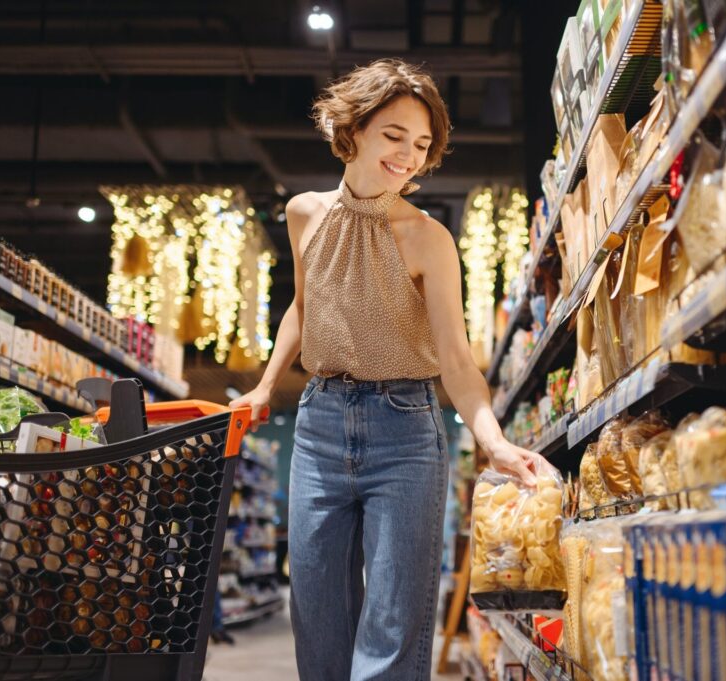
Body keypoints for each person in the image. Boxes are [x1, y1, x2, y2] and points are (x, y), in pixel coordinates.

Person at [229, 58, 548, 681]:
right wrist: (266, 386)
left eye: (421, 144)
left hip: (406, 431)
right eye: (393, 136)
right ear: (353, 131)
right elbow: (303, 304)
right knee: (317, 616)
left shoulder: (429, 239)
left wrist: (494, 442)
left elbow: (456, 361)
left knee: (394, 623)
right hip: (318, 425)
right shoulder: (304, 214)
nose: (407, 155)